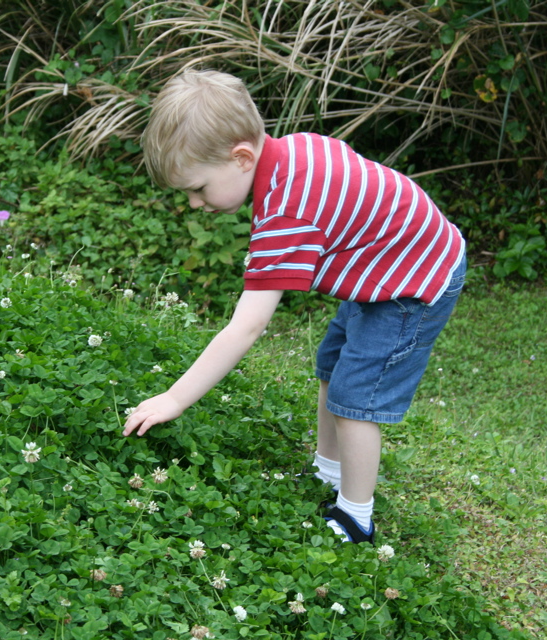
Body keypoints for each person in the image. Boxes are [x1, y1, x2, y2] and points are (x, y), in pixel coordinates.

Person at [122, 69, 466, 544]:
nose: (195, 204)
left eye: (198, 189)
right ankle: (329, 473)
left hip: (415, 282)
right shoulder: (291, 151)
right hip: (390, 264)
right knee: (332, 364)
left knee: (355, 398)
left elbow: (247, 326)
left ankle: (356, 516)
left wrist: (173, 399)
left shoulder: (286, 211)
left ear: (241, 157)